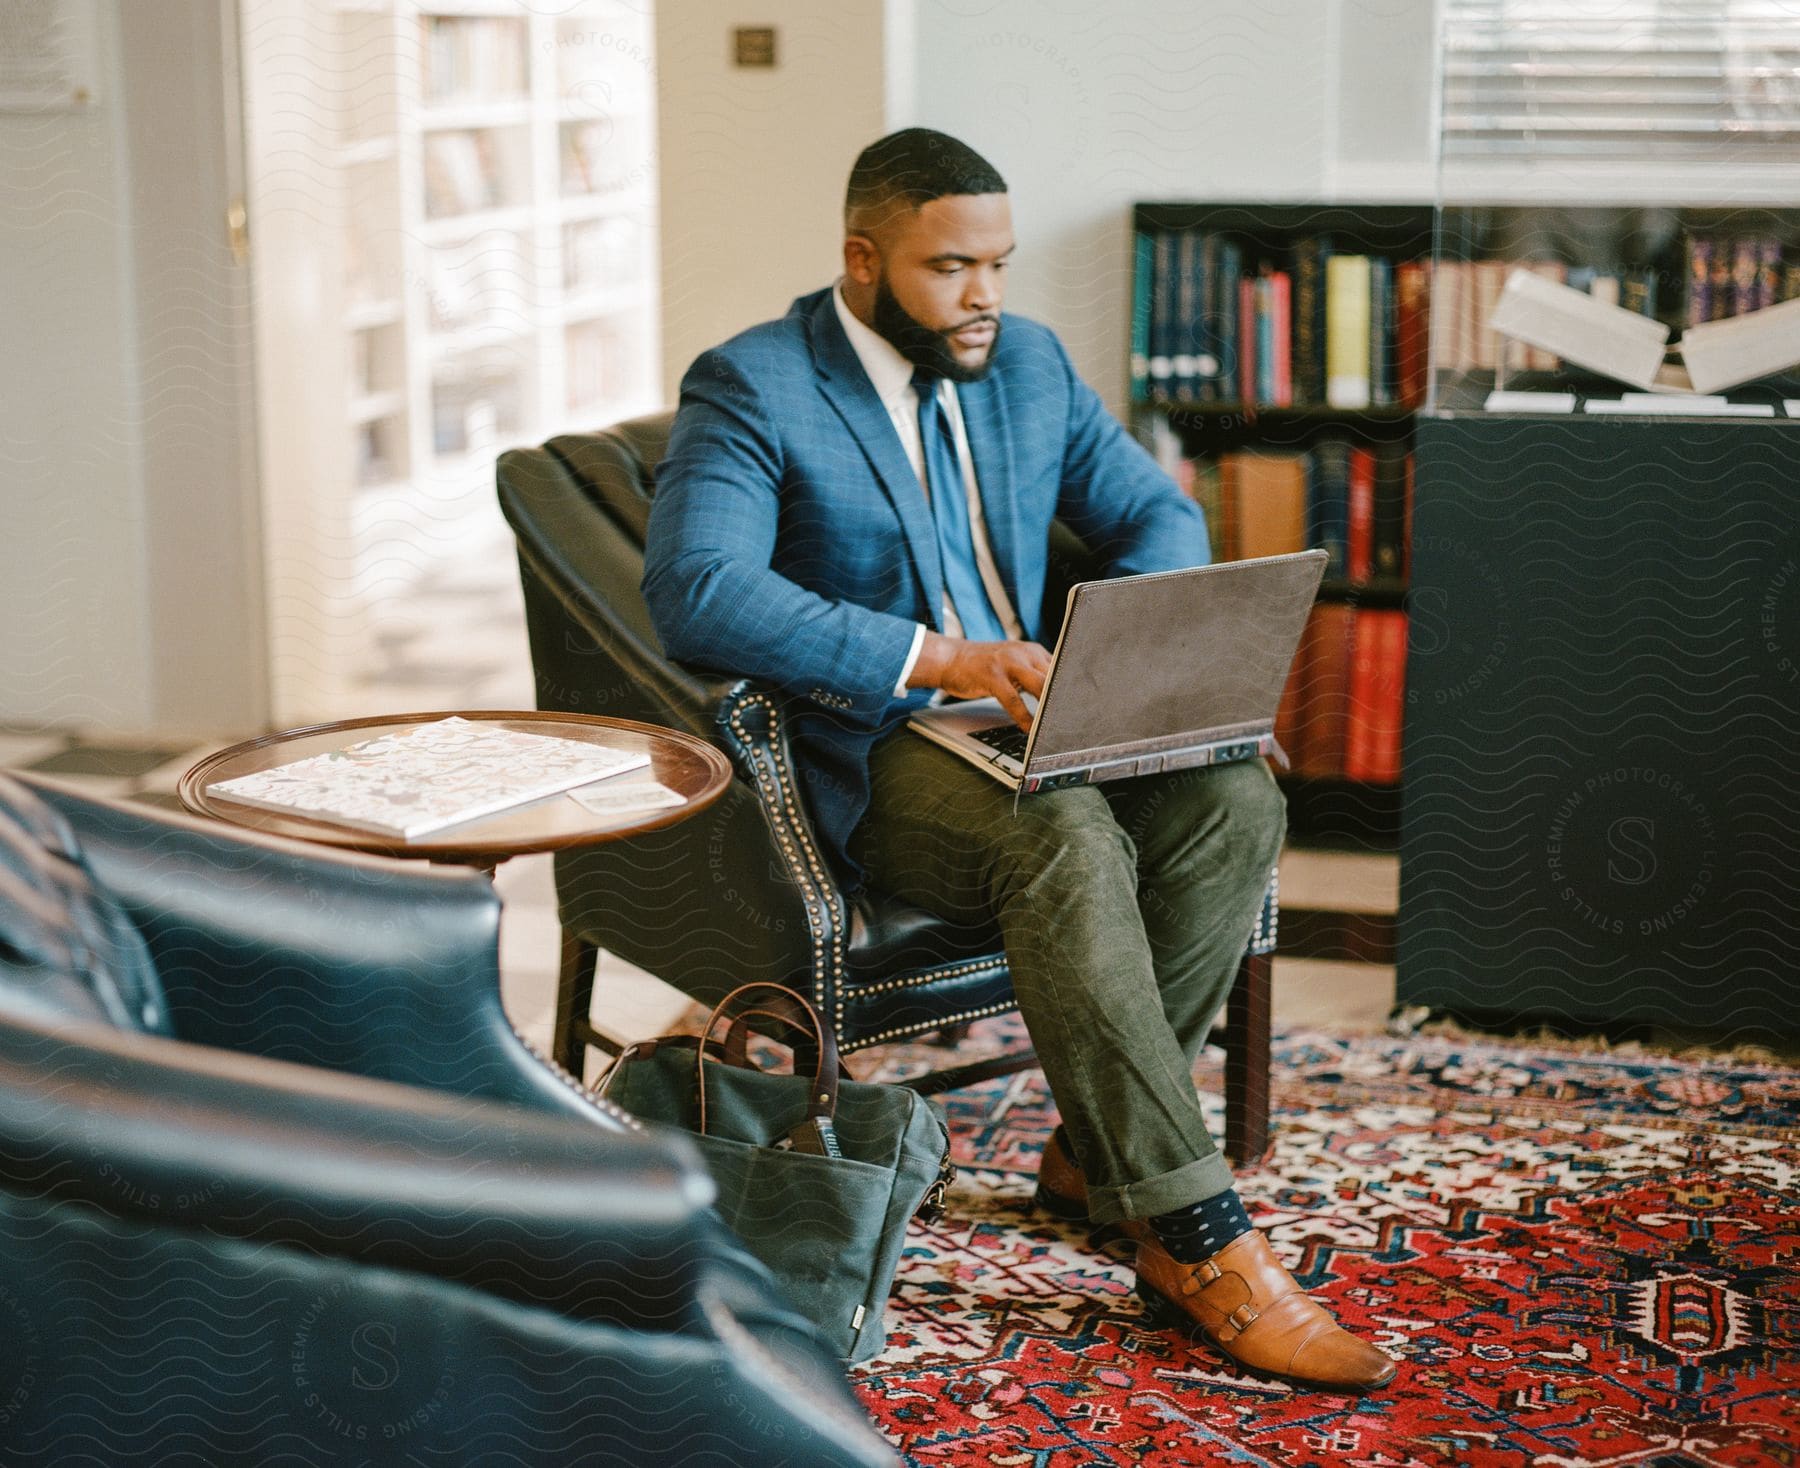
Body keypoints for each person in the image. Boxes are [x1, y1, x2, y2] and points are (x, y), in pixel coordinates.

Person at [643, 128, 1395, 1393]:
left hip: (1045, 709)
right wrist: (941, 658)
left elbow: (1157, 511)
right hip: (878, 742)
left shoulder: (1028, 363)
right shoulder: (756, 383)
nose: (986, 292)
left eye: (999, 260)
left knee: (1230, 795)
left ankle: (1097, 1159)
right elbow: (699, 590)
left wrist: (1147, 671)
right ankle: (1197, 1238)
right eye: (951, 267)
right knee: (1065, 833)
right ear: (862, 259)